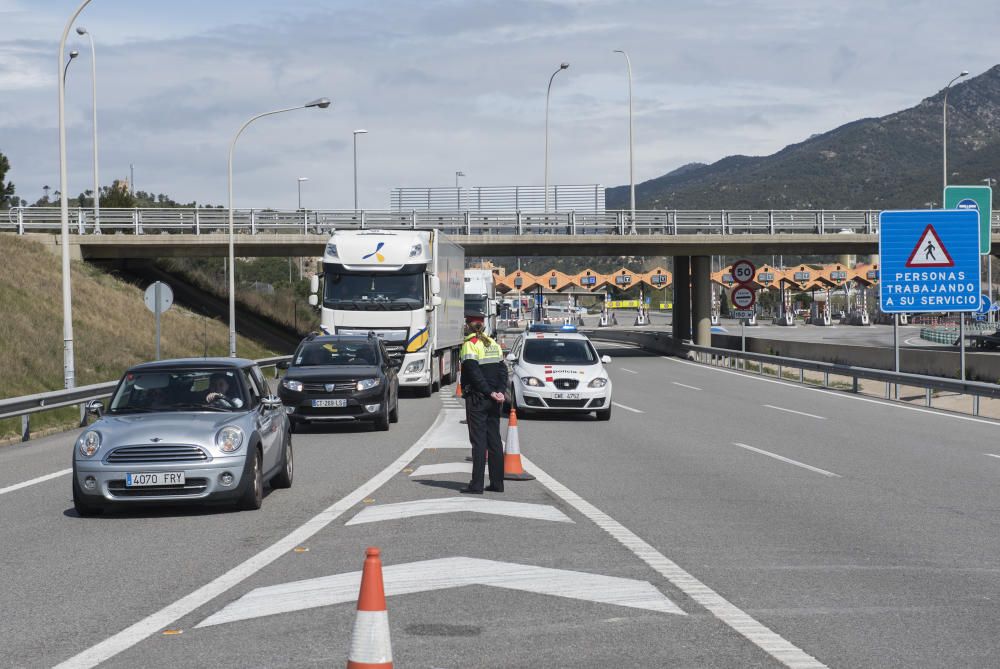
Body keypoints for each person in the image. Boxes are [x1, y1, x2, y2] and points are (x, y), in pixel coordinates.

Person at [459, 322, 507, 494]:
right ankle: (497, 483)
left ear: (468, 329)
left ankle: (477, 484)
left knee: (479, 442)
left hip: (478, 399)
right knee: (494, 440)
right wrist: (500, 392)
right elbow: (503, 370)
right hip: (494, 399)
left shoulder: (469, 345)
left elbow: (473, 372)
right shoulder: (493, 344)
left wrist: (488, 392)